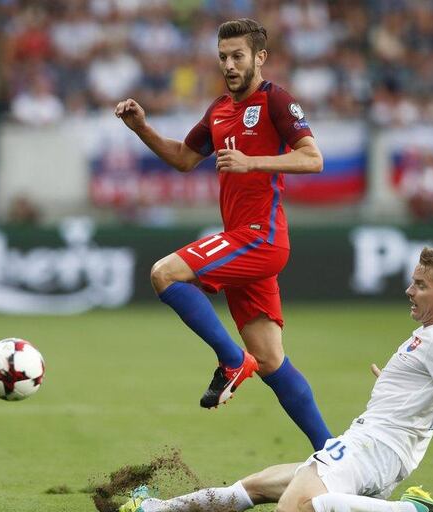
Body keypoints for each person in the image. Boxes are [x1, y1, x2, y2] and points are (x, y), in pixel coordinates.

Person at [118, 247, 433, 512]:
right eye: (413, 282)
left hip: (374, 451)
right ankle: (151, 508)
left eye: (420, 285)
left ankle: (415, 511)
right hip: (368, 444)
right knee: (255, 487)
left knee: (292, 510)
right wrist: (397, 387)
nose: (410, 291)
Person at [114, 18, 331, 450]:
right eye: (223, 57)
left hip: (262, 236)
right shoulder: (218, 110)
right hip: (245, 241)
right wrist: (142, 127)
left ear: (259, 58)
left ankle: (231, 361)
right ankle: (333, 452)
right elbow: (182, 157)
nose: (229, 65)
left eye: (237, 56)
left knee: (165, 274)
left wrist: (254, 162)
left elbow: (313, 159)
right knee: (271, 360)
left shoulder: (276, 101)